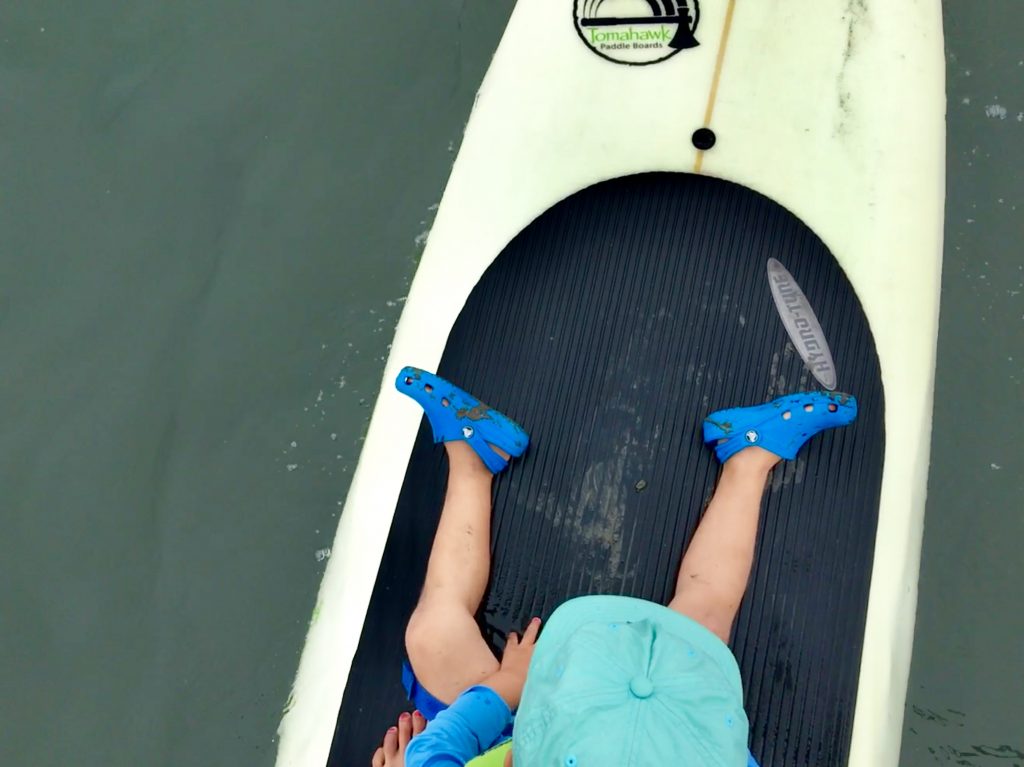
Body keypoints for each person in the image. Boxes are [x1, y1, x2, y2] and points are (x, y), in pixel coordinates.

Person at [371, 366, 857, 767]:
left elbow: (435, 752)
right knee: (706, 611)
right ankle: (749, 459)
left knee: (434, 633)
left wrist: (511, 685)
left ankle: (474, 460)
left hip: (523, 734)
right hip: (658, 739)